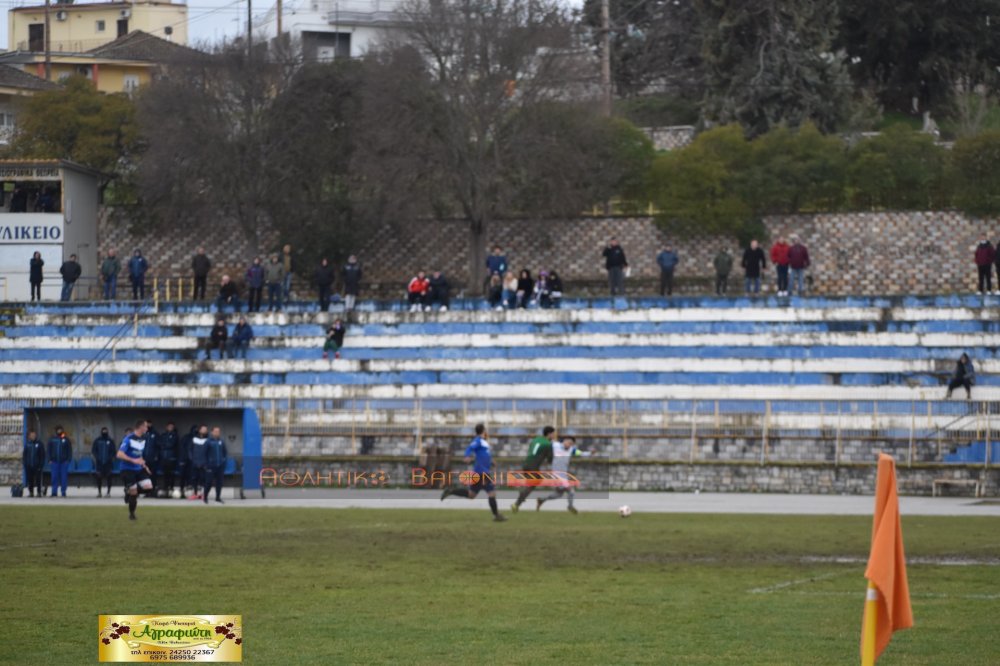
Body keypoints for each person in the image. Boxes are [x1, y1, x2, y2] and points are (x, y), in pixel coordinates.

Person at [440, 423, 507, 522]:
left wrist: (491, 461)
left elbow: (484, 455)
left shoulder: (483, 442)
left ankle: (451, 491)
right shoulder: (478, 441)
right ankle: (496, 516)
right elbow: (470, 448)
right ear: (483, 431)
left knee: (471, 495)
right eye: (485, 430)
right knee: (491, 493)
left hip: (480, 472)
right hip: (482, 473)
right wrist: (467, 456)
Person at [536, 435, 590, 514]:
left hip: (563, 475)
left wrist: (590, 453)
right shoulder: (556, 445)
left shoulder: (571, 449)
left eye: (571, 444)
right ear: (564, 441)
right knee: (570, 490)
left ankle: (541, 500)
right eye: (569, 443)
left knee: (558, 494)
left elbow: (581, 453)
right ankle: (570, 506)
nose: (569, 445)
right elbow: (546, 441)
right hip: (556, 475)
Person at [510, 426, 556, 513]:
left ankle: (519, 500)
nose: (554, 435)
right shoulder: (548, 444)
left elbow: (532, 450)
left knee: (535, 481)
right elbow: (550, 460)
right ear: (549, 434)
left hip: (526, 463)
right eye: (553, 434)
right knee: (532, 484)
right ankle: (518, 499)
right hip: (533, 466)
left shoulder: (536, 439)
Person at [117, 419, 153, 520]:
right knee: (134, 492)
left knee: (148, 487)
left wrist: (144, 465)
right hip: (127, 469)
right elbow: (119, 454)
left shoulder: (143, 439)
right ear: (140, 427)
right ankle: (132, 514)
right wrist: (133, 460)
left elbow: (139, 456)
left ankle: (129, 492)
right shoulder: (128, 438)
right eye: (145, 426)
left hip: (138, 469)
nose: (147, 428)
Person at [47, 426, 72, 498]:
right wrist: (49, 460)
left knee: (64, 478)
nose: (59, 431)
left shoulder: (66, 440)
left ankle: (63, 492)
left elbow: (69, 450)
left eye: (60, 430)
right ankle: (54, 492)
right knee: (54, 477)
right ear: (56, 431)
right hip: (54, 462)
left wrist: (68, 460)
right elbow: (48, 450)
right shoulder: (52, 439)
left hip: (64, 462)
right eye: (58, 430)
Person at [204, 426, 228, 504]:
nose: (217, 433)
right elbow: (204, 454)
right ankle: (205, 497)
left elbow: (225, 453)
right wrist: (207, 465)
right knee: (209, 482)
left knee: (219, 483)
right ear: (212, 432)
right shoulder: (208, 441)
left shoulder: (222, 441)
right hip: (211, 466)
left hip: (220, 466)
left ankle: (218, 498)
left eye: (218, 431)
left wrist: (223, 461)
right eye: (216, 431)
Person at [91, 427, 116, 498]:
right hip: (99, 463)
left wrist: (109, 458)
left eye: (106, 431)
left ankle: (108, 492)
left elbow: (113, 451)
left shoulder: (110, 441)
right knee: (98, 477)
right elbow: (94, 450)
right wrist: (97, 458)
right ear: (101, 432)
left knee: (109, 477)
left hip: (108, 463)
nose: (104, 432)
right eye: (103, 431)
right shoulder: (97, 440)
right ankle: (99, 492)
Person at [22, 430, 45, 498]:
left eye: (34, 435)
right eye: (32, 435)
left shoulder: (39, 444)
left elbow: (42, 455)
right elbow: (24, 454)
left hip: (37, 465)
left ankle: (39, 492)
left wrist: (41, 465)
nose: (33, 436)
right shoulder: (28, 444)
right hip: (29, 465)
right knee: (30, 480)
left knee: (38, 480)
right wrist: (25, 463)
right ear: (29, 436)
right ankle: (31, 492)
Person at [159, 422, 180, 498]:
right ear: (166, 427)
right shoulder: (163, 435)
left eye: (172, 427)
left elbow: (172, 445)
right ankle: (165, 489)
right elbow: (160, 444)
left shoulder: (175, 436)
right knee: (165, 474)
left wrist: (166, 445)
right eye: (169, 426)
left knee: (171, 474)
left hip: (172, 458)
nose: (170, 428)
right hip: (164, 458)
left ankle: (171, 488)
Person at [189, 425, 209, 500]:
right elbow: (190, 450)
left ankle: (203, 494)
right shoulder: (194, 439)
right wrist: (192, 459)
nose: (205, 431)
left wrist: (206, 462)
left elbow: (209, 452)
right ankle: (195, 493)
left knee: (204, 479)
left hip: (204, 464)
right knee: (194, 478)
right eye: (203, 429)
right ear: (200, 430)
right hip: (195, 463)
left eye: (206, 430)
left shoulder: (208, 440)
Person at [178, 425, 198, 499]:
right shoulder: (186, 437)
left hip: (194, 461)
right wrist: (182, 459)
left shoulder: (198, 439)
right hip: (185, 460)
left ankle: (193, 492)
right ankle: (182, 490)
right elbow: (181, 448)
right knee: (183, 476)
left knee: (193, 477)